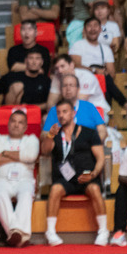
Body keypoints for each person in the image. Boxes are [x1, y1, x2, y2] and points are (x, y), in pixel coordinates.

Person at [39, 99, 107, 246]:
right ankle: (50, 231)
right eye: (58, 113)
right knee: (55, 189)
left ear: (73, 113)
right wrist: (49, 136)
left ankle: (103, 231)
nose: (61, 115)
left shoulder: (89, 133)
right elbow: (44, 151)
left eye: (65, 112)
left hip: (87, 176)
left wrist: (93, 174)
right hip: (65, 179)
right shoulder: (54, 134)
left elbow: (101, 158)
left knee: (95, 189)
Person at [0, 110, 40, 247]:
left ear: (25, 127)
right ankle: (19, 235)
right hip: (1, 180)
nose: (16, 125)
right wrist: (21, 156)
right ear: (8, 124)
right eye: (13, 121)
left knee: (26, 194)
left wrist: (4, 154)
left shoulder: (32, 139)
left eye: (20, 122)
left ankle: (14, 234)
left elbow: (31, 156)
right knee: (0, 193)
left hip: (24, 180)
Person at [46, 56, 109, 135]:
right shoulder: (57, 77)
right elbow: (50, 105)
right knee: (47, 119)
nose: (60, 70)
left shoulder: (86, 76)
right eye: (57, 68)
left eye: (62, 66)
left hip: (95, 108)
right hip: (68, 110)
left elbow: (77, 100)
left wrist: (61, 93)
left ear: (72, 65)